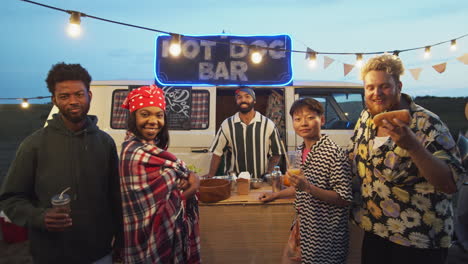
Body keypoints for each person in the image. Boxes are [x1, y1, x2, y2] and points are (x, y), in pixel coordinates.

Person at [0, 62, 123, 263]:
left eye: (79, 94)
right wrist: (40, 217)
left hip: (99, 253)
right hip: (51, 254)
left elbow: (115, 196)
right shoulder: (34, 145)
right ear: (54, 100)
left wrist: (121, 239)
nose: (73, 101)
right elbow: (11, 199)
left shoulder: (104, 142)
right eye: (65, 96)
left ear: (89, 96)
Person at [348, 54, 465, 264]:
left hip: (418, 240)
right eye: (370, 87)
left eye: (384, 86)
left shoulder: (426, 123)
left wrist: (413, 146)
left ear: (398, 86)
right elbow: (354, 157)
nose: (376, 93)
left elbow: (450, 183)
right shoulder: (366, 117)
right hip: (376, 230)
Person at [259, 98, 353, 264]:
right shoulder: (300, 150)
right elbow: (299, 188)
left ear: (322, 120)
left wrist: (308, 187)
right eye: (298, 119)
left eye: (310, 117)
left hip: (325, 235)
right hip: (303, 228)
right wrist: (276, 195)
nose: (304, 123)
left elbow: (344, 198)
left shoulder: (334, 154)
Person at [119, 84, 201, 263]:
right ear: (133, 117)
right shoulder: (133, 153)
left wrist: (187, 178)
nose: (153, 121)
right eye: (145, 114)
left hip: (166, 241)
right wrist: (193, 184)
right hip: (143, 243)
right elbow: (166, 205)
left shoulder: (154, 150)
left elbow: (172, 188)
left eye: (159, 115)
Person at [204, 87, 285, 179]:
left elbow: (276, 154)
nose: (243, 100)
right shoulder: (227, 124)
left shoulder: (268, 124)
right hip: (234, 181)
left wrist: (269, 173)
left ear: (254, 100)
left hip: (260, 181)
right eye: (239, 97)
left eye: (247, 96)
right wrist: (211, 175)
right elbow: (217, 153)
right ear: (236, 101)